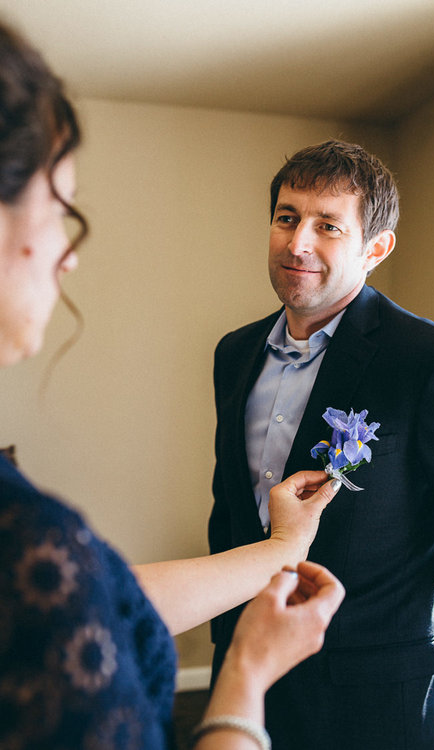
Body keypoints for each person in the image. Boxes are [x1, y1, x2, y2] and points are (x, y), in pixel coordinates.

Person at [0, 20, 345, 750]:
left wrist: (281, 549)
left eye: (328, 226)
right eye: (64, 209)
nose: (70, 256)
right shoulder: (31, 541)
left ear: (376, 246)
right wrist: (244, 678)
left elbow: (95, 600)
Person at [208, 139, 434, 749]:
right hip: (247, 684)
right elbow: (228, 514)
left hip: (380, 703)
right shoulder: (234, 354)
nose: (298, 243)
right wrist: (227, 655)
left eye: (328, 226)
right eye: (287, 218)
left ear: (376, 248)